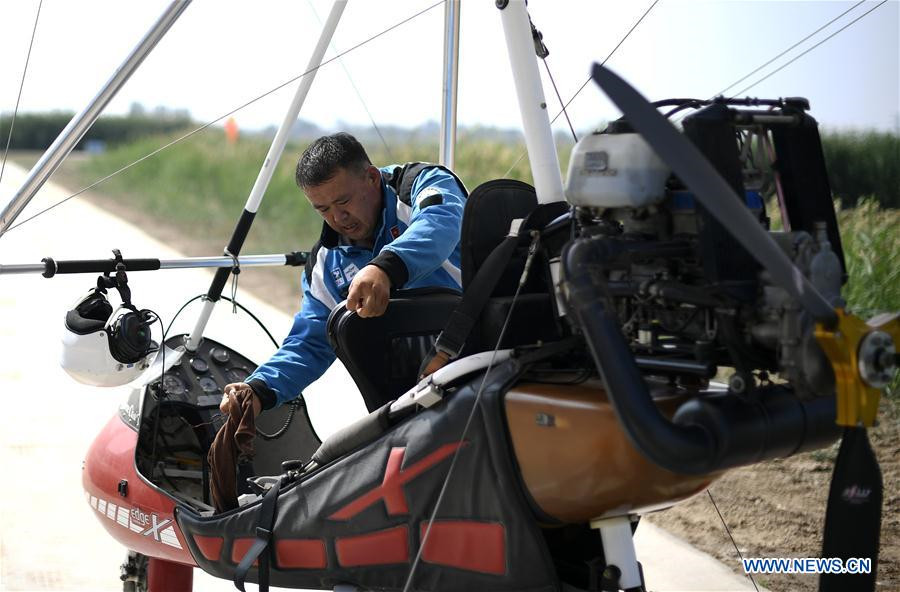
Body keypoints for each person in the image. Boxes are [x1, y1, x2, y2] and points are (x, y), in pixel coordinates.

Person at [220, 132, 466, 416]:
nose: (338, 218)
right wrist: (258, 390)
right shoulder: (326, 265)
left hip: (483, 353)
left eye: (344, 201)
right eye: (323, 209)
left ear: (372, 178)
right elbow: (309, 343)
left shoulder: (420, 185)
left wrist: (385, 268)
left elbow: (441, 222)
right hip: (411, 395)